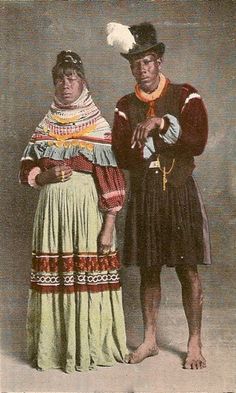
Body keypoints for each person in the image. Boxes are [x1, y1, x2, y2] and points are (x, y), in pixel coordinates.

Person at [107, 22, 211, 370]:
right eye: (135, 63)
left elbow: (196, 142)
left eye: (148, 61)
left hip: (179, 191)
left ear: (159, 62)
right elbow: (123, 156)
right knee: (149, 270)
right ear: (131, 67)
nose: (142, 69)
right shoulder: (124, 105)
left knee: (187, 269)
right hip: (146, 194)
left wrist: (162, 123)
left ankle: (194, 341)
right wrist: (149, 146)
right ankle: (150, 340)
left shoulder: (185, 95)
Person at [19, 50, 128, 373]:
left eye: (71, 77)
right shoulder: (46, 124)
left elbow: (112, 177)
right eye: (59, 78)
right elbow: (25, 167)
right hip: (52, 216)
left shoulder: (97, 124)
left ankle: (90, 347)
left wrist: (109, 223)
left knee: (87, 274)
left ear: (83, 82)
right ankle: (56, 350)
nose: (65, 84)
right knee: (58, 277)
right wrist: (44, 176)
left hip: (86, 214)